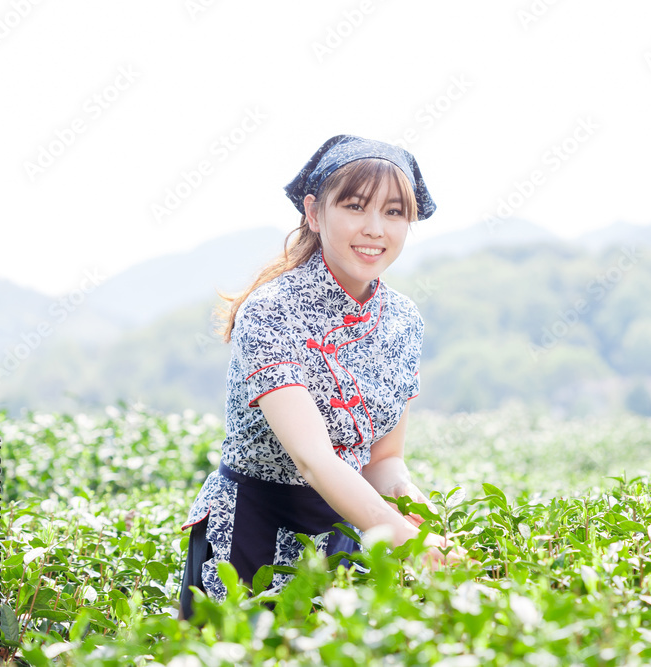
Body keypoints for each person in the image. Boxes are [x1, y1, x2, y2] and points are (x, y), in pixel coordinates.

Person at [177, 134, 464, 621]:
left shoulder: (403, 320)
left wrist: (421, 518)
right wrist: (402, 537)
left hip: (347, 528)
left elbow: (383, 460)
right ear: (314, 213)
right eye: (355, 206)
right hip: (251, 530)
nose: (375, 229)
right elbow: (313, 460)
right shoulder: (271, 310)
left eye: (394, 213)